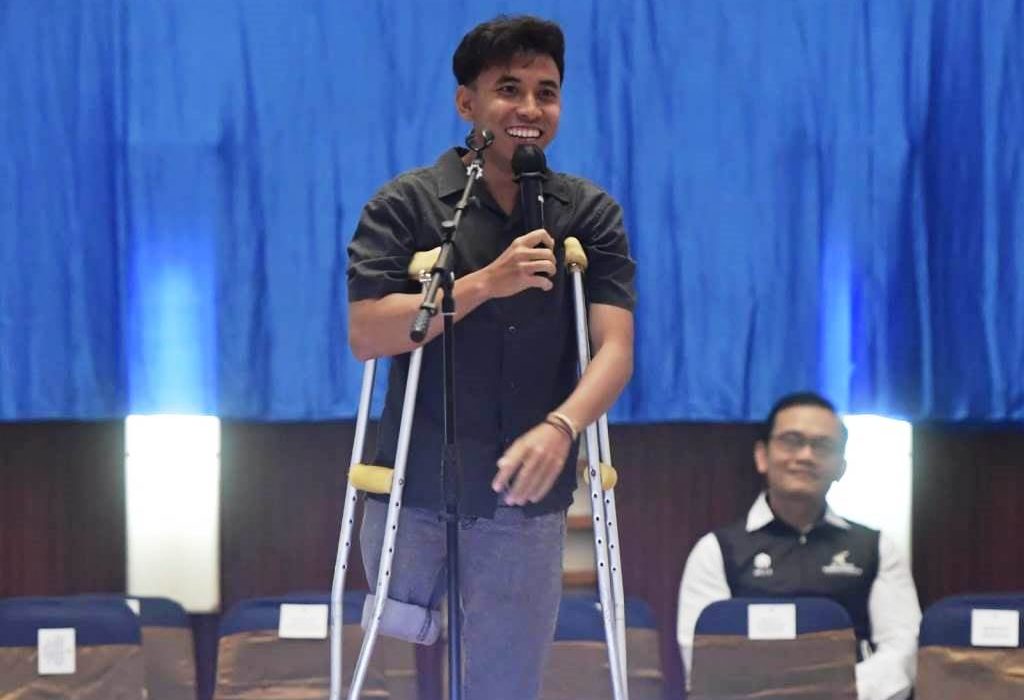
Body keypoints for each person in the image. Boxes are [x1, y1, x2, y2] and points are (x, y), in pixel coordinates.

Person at [346, 15, 635, 700]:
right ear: (466, 102)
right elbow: (367, 333)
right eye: (509, 89)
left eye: (547, 92)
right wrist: (482, 284)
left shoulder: (587, 213)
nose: (530, 108)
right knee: (392, 675)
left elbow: (615, 349)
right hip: (418, 483)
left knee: (504, 685)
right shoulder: (408, 205)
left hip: (525, 496)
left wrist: (561, 427)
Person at [676, 392, 921, 700]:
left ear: (842, 466)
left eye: (822, 445)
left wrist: (836, 692)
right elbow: (702, 656)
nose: (805, 455)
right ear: (762, 456)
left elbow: (902, 648)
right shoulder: (716, 550)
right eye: (791, 441)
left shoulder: (877, 547)